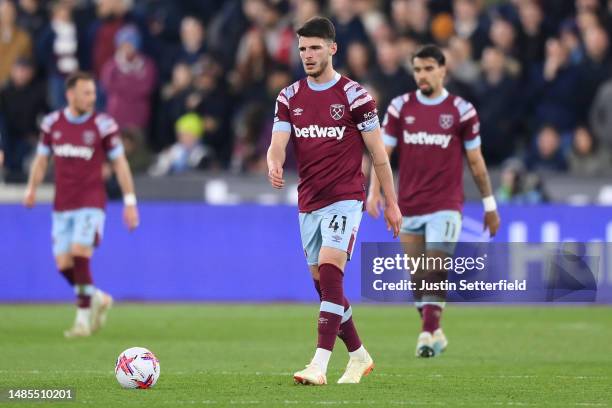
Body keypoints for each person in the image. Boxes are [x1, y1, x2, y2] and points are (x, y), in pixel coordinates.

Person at [267, 17, 402, 385]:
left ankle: (319, 364)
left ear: (332, 48)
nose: (307, 55)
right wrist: (274, 161)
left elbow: (378, 154)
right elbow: (278, 142)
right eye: (302, 49)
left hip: (345, 197)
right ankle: (358, 356)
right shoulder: (289, 96)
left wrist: (391, 202)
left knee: (330, 271)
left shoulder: (355, 97)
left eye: (314, 48)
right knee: (325, 286)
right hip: (308, 201)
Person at [367, 44, 500, 358]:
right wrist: (376, 192)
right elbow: (382, 154)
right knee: (418, 278)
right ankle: (435, 328)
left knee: (435, 268)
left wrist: (490, 205)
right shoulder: (400, 107)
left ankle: (426, 335)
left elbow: (476, 162)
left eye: (428, 69)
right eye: (417, 69)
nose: (422, 75)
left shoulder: (461, 111)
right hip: (409, 205)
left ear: (443, 70)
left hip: (446, 204)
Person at [23, 71, 139, 338]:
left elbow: (120, 163)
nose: (92, 98)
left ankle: (82, 321)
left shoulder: (103, 125)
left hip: (91, 201)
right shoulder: (52, 123)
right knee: (64, 265)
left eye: (93, 93)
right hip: (62, 203)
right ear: (70, 95)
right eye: (86, 93)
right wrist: (31, 189)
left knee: (79, 255)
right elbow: (42, 161)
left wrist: (130, 201)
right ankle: (96, 296)